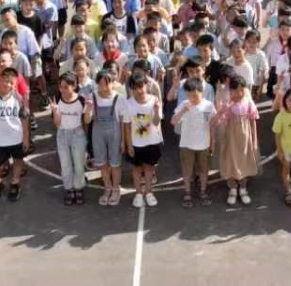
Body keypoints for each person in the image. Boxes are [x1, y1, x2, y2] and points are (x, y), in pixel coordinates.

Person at [0, 67, 29, 202]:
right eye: (5, 81)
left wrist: (25, 138)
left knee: (18, 160)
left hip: (16, 137)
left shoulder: (18, 98)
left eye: (11, 82)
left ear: (15, 84)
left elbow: (24, 119)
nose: (8, 84)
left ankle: (15, 182)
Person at [171, 77, 216, 208]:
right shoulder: (184, 104)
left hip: (204, 144)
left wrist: (213, 142)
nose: (192, 98)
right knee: (187, 170)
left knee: (203, 170)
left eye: (195, 95)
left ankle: (203, 191)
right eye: (189, 95)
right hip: (186, 144)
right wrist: (183, 111)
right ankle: (187, 192)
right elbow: (173, 121)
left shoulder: (208, 105)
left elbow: (212, 124)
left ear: (201, 92)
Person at [216, 76, 259, 206]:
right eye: (235, 90)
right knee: (231, 161)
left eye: (241, 90)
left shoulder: (248, 103)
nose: (238, 93)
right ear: (230, 91)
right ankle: (233, 188)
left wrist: (254, 139)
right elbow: (220, 122)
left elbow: (253, 122)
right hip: (231, 139)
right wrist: (222, 110)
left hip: (245, 139)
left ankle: (243, 188)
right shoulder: (228, 104)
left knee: (244, 161)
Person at [51, 71, 92, 206]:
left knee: (79, 164)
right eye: (60, 87)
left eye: (65, 87)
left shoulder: (81, 100)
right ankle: (69, 189)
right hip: (62, 134)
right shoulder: (58, 99)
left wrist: (89, 108)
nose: (62, 90)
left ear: (74, 86)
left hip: (77, 134)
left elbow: (86, 120)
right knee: (65, 164)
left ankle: (79, 188)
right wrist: (55, 111)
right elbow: (57, 124)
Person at [123, 74, 164, 208]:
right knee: (136, 169)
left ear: (147, 86)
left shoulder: (154, 100)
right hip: (136, 143)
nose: (139, 91)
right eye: (136, 88)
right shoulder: (128, 104)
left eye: (141, 87)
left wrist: (156, 111)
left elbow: (156, 122)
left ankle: (149, 192)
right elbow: (127, 126)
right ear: (131, 89)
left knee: (149, 168)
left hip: (152, 141)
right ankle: (138, 193)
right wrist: (129, 145)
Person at [91, 70, 124, 206]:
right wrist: (88, 109)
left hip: (115, 133)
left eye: (107, 84)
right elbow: (88, 119)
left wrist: (123, 140)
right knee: (102, 163)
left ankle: (116, 189)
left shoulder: (119, 98)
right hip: (98, 133)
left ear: (112, 83)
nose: (104, 87)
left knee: (115, 163)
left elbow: (122, 121)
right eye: (101, 84)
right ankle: (107, 187)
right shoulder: (92, 97)